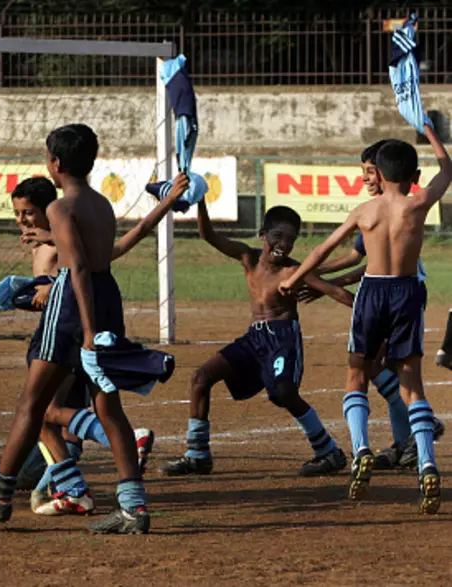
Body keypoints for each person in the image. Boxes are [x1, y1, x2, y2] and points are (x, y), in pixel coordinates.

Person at [0, 124, 169, 534]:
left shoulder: (59, 208)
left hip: (73, 304)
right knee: (108, 405)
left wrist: (86, 332)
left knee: (32, 404)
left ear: (55, 163)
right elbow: (97, 255)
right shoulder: (101, 203)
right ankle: (133, 508)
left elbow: (77, 268)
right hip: (107, 298)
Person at [279, 124, 452, 514]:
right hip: (408, 292)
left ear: (379, 173)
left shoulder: (364, 211)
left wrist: (293, 276)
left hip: (372, 294)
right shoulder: (417, 204)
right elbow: (448, 169)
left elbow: (324, 248)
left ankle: (360, 451)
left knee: (356, 375)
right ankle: (426, 460)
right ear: (410, 176)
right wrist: (428, 130)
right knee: (413, 382)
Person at [160, 204, 352, 479]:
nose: (284, 244)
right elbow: (208, 235)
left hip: (282, 338)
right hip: (254, 338)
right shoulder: (247, 257)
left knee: (284, 394)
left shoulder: (295, 271)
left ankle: (329, 451)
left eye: (291, 239)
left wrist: (370, 313)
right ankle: (197, 455)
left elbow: (335, 291)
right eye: (278, 235)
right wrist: (200, 202)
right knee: (201, 377)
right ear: (262, 234)